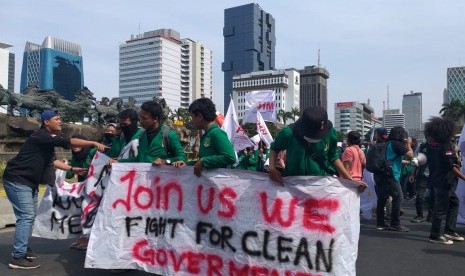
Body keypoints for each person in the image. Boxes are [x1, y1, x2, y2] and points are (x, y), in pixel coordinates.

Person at [3, 110, 107, 269]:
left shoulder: (46, 141)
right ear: (46, 122)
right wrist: (93, 143)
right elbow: (69, 142)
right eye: (57, 119)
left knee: (28, 216)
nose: (60, 122)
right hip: (18, 180)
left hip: (29, 182)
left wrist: (72, 168)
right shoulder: (43, 136)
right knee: (26, 216)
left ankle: (22, 249)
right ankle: (18, 256)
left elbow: (53, 162)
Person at [268, 106, 366, 192]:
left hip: (320, 184)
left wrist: (349, 179)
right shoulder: (288, 133)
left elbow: (333, 156)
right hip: (293, 184)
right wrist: (272, 168)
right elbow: (274, 148)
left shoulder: (331, 133)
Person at [425, 117, 465, 244]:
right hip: (444, 180)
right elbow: (449, 166)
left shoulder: (431, 146)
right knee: (441, 208)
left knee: (453, 202)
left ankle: (449, 230)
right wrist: (463, 177)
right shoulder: (445, 146)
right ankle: (435, 235)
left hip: (437, 179)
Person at [177, 98, 236, 176]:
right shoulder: (207, 134)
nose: (191, 121)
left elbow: (230, 157)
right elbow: (205, 162)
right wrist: (187, 164)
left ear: (200, 116)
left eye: (192, 117)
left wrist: (203, 161)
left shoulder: (216, 133)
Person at [116, 100, 186, 164]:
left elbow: (182, 157)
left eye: (144, 118)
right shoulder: (142, 136)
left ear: (155, 119)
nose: (141, 121)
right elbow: (139, 159)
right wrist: (118, 162)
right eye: (140, 117)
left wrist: (166, 161)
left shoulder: (169, 135)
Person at [373, 126, 413, 232]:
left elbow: (391, 158)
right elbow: (410, 155)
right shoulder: (397, 144)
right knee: (398, 197)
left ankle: (380, 223)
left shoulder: (388, 143)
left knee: (382, 199)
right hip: (392, 175)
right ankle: (395, 223)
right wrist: (408, 143)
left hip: (382, 174)